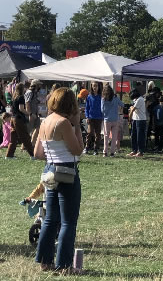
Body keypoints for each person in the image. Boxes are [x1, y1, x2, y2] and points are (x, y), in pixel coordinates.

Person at [33, 87, 84, 274]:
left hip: (49, 170)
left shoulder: (45, 121)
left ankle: (45, 261)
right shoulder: (64, 123)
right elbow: (77, 150)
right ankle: (64, 265)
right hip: (66, 171)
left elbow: (38, 153)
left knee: (50, 219)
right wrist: (76, 126)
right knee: (68, 221)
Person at [6, 83, 34, 159]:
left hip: (13, 118)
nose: (25, 89)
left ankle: (9, 155)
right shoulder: (21, 97)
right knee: (25, 137)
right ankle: (32, 154)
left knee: (13, 138)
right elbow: (21, 109)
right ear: (22, 89)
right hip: (18, 119)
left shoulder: (14, 97)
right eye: (24, 88)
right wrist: (29, 113)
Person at [101, 84, 124, 157]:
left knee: (106, 136)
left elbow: (102, 110)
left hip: (107, 119)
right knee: (114, 137)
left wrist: (106, 113)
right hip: (115, 119)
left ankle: (105, 152)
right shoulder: (115, 98)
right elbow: (122, 104)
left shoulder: (103, 99)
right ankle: (112, 152)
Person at [84, 82, 103, 155]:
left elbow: (103, 107)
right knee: (90, 132)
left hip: (98, 117)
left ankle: (96, 149)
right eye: (93, 86)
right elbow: (87, 108)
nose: (95, 87)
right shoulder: (89, 96)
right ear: (91, 87)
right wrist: (87, 116)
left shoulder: (101, 97)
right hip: (91, 117)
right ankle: (87, 147)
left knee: (98, 134)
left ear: (98, 87)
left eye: (96, 86)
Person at [128, 90, 147, 157]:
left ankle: (140, 151)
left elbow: (133, 109)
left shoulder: (140, 99)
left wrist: (129, 118)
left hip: (141, 120)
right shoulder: (136, 100)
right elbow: (132, 108)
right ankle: (134, 150)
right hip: (135, 119)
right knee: (134, 136)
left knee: (140, 136)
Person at [25, 79, 43, 146]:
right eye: (39, 85)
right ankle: (24, 145)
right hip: (31, 114)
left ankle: (32, 144)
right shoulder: (29, 92)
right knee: (28, 130)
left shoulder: (35, 93)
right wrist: (30, 114)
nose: (40, 86)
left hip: (35, 114)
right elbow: (27, 103)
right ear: (35, 85)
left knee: (37, 128)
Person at [144, 81, 161, 150]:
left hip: (149, 116)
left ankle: (146, 145)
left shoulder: (148, 96)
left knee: (147, 131)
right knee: (151, 131)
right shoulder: (153, 98)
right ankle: (149, 145)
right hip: (151, 117)